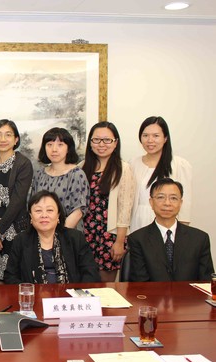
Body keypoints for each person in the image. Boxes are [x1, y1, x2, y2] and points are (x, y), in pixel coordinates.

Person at [4, 190, 100, 284]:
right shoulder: (21, 240)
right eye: (38, 211)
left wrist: (78, 295)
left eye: (49, 210)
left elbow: (91, 272)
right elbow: (10, 276)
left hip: (70, 297)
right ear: (31, 217)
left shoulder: (75, 238)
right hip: (34, 297)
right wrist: (29, 292)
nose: (44, 215)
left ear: (58, 215)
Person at [128, 178, 213, 282]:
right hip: (153, 297)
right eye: (160, 197)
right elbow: (139, 282)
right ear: (151, 202)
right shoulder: (138, 239)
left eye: (173, 198)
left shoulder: (199, 238)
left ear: (180, 203)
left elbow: (207, 282)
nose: (167, 203)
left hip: (190, 297)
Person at [81, 122, 136, 282]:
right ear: (90, 143)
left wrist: (119, 241)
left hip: (108, 236)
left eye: (107, 140)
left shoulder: (123, 169)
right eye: (96, 140)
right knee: (84, 282)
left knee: (106, 286)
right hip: (85, 235)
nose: (101, 144)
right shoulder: (82, 167)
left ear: (116, 142)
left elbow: (125, 208)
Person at [0, 119, 33, 281]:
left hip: (13, 231)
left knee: (12, 279)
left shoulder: (23, 164)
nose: (3, 139)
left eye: (8, 135)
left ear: (16, 139)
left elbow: (18, 201)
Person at [129, 116, 192, 232]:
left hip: (167, 223)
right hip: (137, 222)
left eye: (156, 136)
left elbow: (185, 204)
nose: (150, 140)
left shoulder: (179, 164)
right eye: (145, 135)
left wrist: (182, 234)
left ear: (165, 138)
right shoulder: (133, 163)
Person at [31, 127, 89, 230]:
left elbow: (78, 211)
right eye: (49, 145)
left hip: (68, 234)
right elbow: (33, 206)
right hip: (41, 233)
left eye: (60, 145)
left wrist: (56, 236)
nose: (54, 149)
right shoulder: (39, 174)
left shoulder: (76, 174)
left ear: (68, 148)